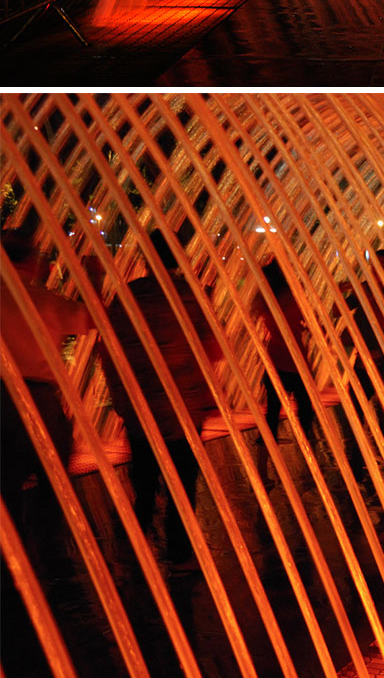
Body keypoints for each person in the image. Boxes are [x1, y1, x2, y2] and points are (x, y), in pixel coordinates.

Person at [101, 229, 221, 567]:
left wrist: (120, 398)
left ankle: (134, 554)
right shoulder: (190, 296)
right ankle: (180, 557)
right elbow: (213, 350)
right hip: (183, 410)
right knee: (183, 486)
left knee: (144, 484)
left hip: (142, 409)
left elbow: (109, 349)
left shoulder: (128, 295)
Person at [1, 230, 93, 528]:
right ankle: (52, 552)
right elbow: (92, 319)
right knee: (55, 482)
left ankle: (13, 561)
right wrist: (94, 278)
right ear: (29, 260)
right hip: (38, 401)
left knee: (6, 485)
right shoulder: (43, 299)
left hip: (2, 397)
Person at [338, 249, 384, 488]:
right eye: (373, 264)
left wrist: (362, 291)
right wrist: (342, 292)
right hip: (362, 362)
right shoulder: (363, 290)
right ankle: (355, 467)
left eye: (382, 266)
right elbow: (339, 309)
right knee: (353, 414)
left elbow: (381, 320)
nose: (376, 270)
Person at [252, 259, 315, 442]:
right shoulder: (292, 295)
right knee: (303, 403)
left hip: (277, 356)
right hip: (295, 356)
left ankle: (267, 440)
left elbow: (255, 312)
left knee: (274, 404)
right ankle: (306, 437)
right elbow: (307, 320)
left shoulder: (266, 297)